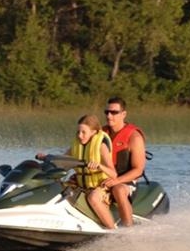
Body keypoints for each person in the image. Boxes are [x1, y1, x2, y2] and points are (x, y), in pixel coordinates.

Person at [37, 114, 117, 229]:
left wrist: (99, 166)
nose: (80, 135)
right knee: (56, 187)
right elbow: (62, 160)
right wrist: (46, 158)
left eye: (84, 132)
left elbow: (113, 174)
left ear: (94, 132)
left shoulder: (101, 146)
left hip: (101, 186)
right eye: (78, 132)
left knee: (93, 198)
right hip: (81, 184)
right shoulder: (76, 145)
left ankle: (113, 231)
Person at [101, 96, 147, 227]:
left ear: (123, 114)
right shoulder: (100, 133)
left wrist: (116, 181)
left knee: (118, 190)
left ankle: (128, 229)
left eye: (114, 112)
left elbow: (138, 170)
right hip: (103, 177)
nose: (109, 116)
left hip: (125, 181)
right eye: (107, 112)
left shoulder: (134, 137)